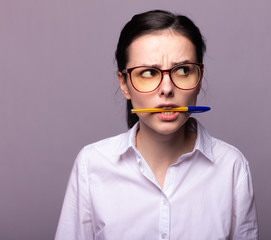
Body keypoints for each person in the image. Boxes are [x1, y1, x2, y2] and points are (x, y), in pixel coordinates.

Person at [55, 10, 258, 240]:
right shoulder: (91, 165)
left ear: (199, 79)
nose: (167, 88)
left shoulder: (231, 167)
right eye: (149, 73)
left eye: (183, 71)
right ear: (124, 84)